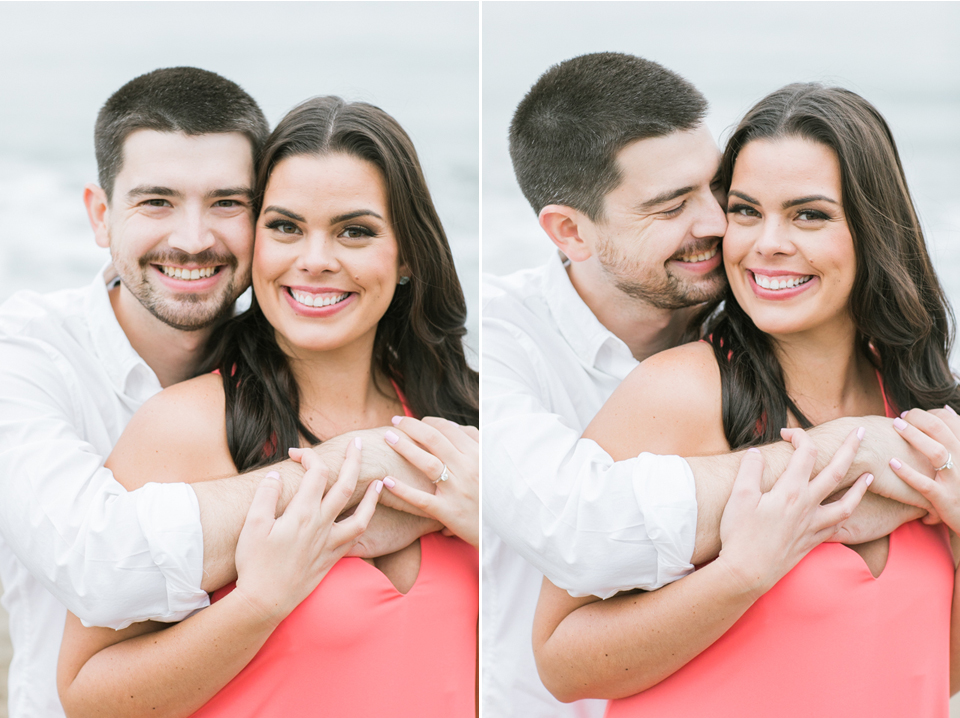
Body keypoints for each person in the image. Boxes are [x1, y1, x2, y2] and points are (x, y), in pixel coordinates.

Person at [482, 53, 934, 717]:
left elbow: (924, 658)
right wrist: (838, 458)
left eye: (718, 194)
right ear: (571, 232)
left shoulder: (913, 399)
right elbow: (581, 524)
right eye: (745, 208)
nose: (726, 228)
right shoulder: (506, 348)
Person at [0, 68, 441, 718]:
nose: (193, 238)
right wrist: (374, 468)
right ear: (101, 215)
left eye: (228, 204)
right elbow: (102, 562)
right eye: (156, 202)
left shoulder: (323, 361)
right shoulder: (26, 356)